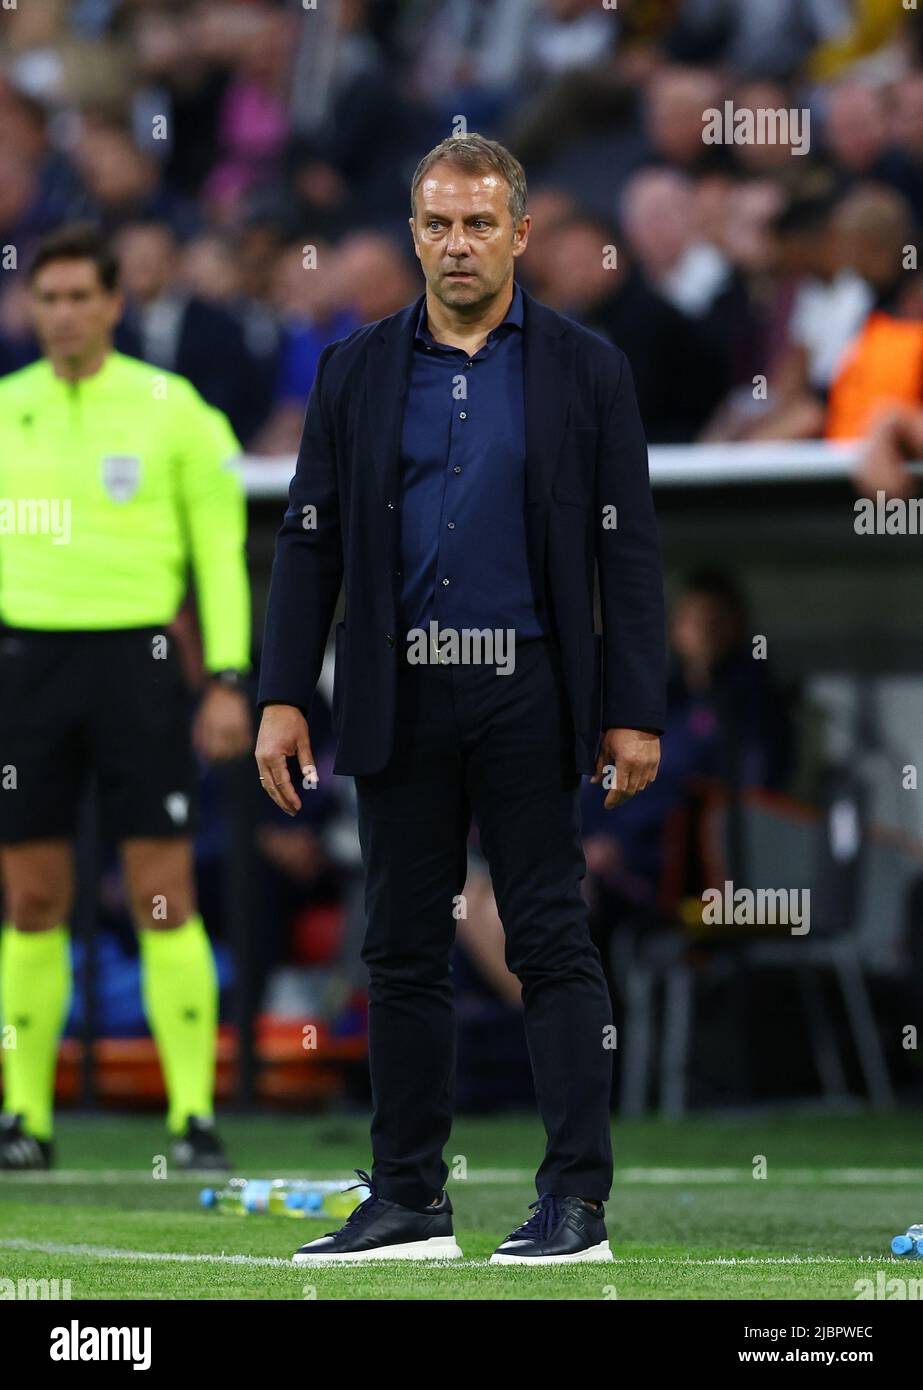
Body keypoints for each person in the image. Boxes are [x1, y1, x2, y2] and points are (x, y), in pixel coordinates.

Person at [256, 134, 666, 1265]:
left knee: (545, 935)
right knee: (395, 945)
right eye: (436, 223)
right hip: (397, 685)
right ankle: (408, 1201)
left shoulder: (587, 368)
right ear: (412, 231)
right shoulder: (355, 368)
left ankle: (574, 1204)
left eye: (478, 223)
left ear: (521, 233)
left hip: (531, 686)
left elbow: (628, 553)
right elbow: (307, 546)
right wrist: (282, 694)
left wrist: (634, 708)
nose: (456, 244)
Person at [0, 224, 252, 1171]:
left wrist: (227, 677)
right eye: (47, 298)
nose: (63, 314)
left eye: (80, 297)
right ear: (32, 309)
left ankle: (192, 1118)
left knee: (160, 892)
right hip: (25, 665)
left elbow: (219, 558)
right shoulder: (4, 409)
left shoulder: (173, 410)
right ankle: (26, 1118)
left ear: (114, 303)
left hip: (140, 664)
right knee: (30, 898)